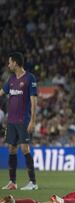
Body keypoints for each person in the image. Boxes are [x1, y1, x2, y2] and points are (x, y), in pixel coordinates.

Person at [0, 52, 38, 190]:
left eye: (10, 62)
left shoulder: (29, 78)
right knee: (12, 149)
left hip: (24, 120)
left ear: (15, 63)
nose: (8, 65)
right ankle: (12, 182)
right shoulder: (11, 79)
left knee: (25, 148)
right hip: (11, 120)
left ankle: (33, 182)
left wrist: (33, 121)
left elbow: (34, 101)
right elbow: (1, 92)